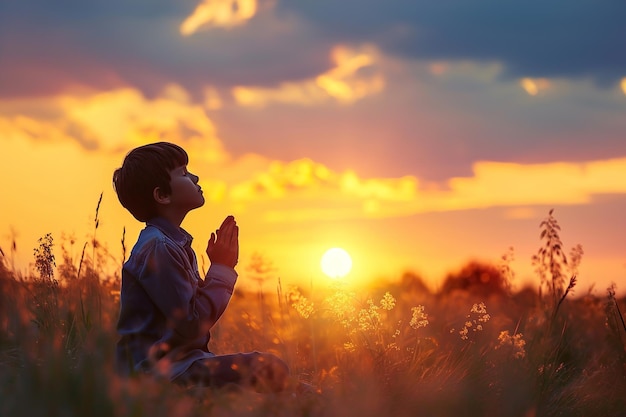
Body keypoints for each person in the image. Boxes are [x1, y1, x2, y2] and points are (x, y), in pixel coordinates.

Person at [112, 141, 289, 392]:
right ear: (162, 195)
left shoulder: (173, 244)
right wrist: (222, 268)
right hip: (158, 377)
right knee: (269, 368)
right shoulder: (158, 248)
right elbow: (192, 324)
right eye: (183, 173)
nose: (195, 177)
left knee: (295, 386)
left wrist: (219, 267)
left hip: (182, 366)